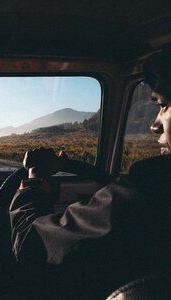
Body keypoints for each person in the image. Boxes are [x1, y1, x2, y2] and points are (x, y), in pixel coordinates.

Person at [9, 49, 171, 299]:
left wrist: (34, 179)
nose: (154, 125)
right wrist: (74, 166)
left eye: (163, 105)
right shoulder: (151, 192)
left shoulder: (153, 186)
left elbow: (33, 245)